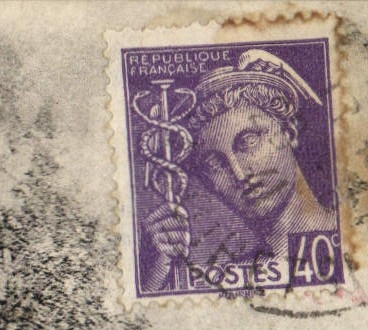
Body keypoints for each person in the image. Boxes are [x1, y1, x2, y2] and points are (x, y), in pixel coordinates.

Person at [141, 48, 340, 290]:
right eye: (215, 163)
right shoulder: (226, 280)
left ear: (289, 133)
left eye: (248, 141)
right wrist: (161, 267)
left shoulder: (352, 238)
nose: (238, 173)